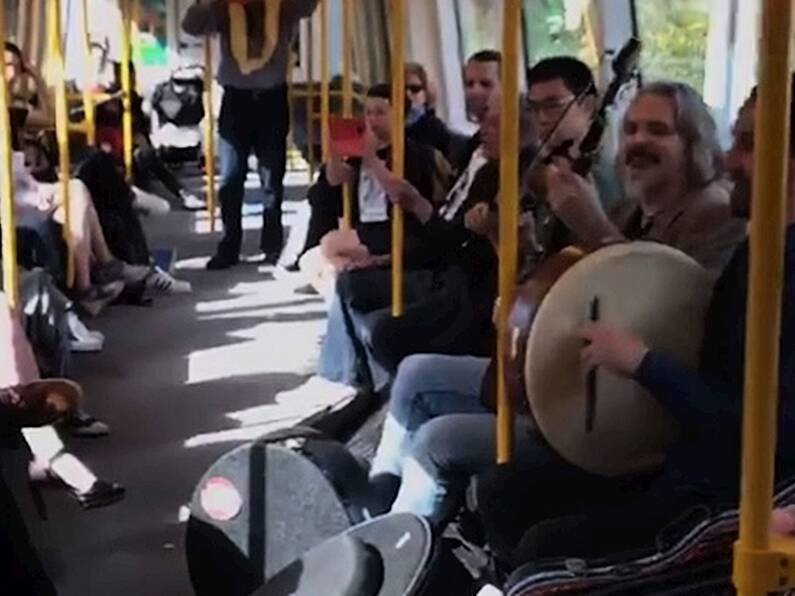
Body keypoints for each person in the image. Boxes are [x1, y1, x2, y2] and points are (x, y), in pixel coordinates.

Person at [368, 80, 747, 527]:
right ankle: (377, 507)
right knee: (418, 371)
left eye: (658, 131)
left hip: (623, 412)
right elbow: (564, 291)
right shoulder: (631, 209)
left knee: (438, 439)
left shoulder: (713, 214)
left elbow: (671, 315)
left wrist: (595, 228)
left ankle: (396, 548)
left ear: (693, 144)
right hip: (573, 374)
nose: (639, 141)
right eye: (633, 130)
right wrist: (515, 252)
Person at [480, 78, 795, 568]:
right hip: (678, 446)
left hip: (724, 488)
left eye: (750, 145)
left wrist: (643, 363)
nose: (733, 161)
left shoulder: (732, 232)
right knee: (502, 489)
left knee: (542, 546)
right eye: (631, 130)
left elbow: (758, 431)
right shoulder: (760, 244)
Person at [182, 0, 320, 269]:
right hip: (236, 99)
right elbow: (191, 26)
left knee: (272, 179)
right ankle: (229, 245)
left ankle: (272, 246)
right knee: (231, 179)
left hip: (272, 98)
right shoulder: (225, 7)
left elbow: (308, 5)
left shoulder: (281, 7)